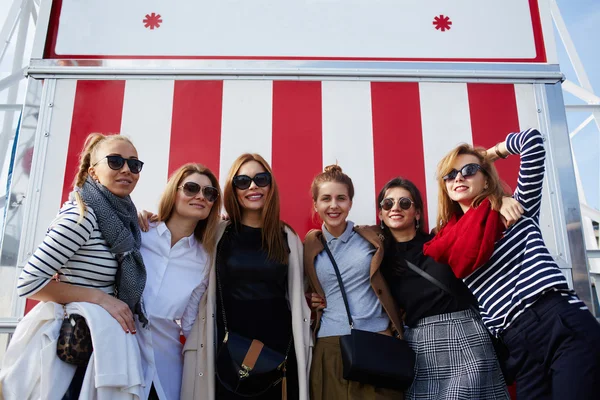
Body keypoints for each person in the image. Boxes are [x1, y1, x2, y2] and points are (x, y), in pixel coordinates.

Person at [424, 128, 600, 399]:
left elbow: (532, 142)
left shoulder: (516, 207)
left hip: (558, 321)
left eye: (470, 170)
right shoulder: (447, 241)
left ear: (485, 179)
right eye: (450, 174)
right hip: (516, 342)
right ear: (445, 187)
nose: (459, 177)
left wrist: (490, 154)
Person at [0, 133, 146, 399]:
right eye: (115, 161)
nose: (126, 169)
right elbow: (29, 282)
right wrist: (101, 298)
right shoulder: (81, 217)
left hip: (100, 347)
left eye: (134, 164)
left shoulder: (122, 218)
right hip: (70, 353)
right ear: (94, 171)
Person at [180, 154, 312, 400]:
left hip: (278, 353)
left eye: (261, 179)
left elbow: (301, 290)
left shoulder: (288, 238)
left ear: (271, 186)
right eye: (243, 181)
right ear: (233, 189)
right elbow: (177, 234)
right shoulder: (218, 233)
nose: (253, 186)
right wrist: (149, 218)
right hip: (226, 351)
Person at [376, 177, 509, 399]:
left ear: (417, 212)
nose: (395, 208)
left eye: (405, 203)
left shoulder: (442, 239)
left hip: (467, 335)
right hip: (420, 344)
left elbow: (478, 217)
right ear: (381, 213)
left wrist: (501, 201)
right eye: (388, 204)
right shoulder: (380, 260)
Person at [304, 165, 405, 400]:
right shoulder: (309, 245)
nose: (334, 205)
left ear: (350, 202)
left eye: (341, 198)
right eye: (326, 198)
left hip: (377, 340)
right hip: (330, 345)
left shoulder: (374, 237)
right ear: (316, 204)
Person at [136, 163, 222, 400]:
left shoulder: (205, 258)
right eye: (191, 188)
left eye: (209, 193)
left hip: (166, 361)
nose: (200, 196)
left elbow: (191, 321)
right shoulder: (139, 232)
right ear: (174, 192)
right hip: (119, 347)